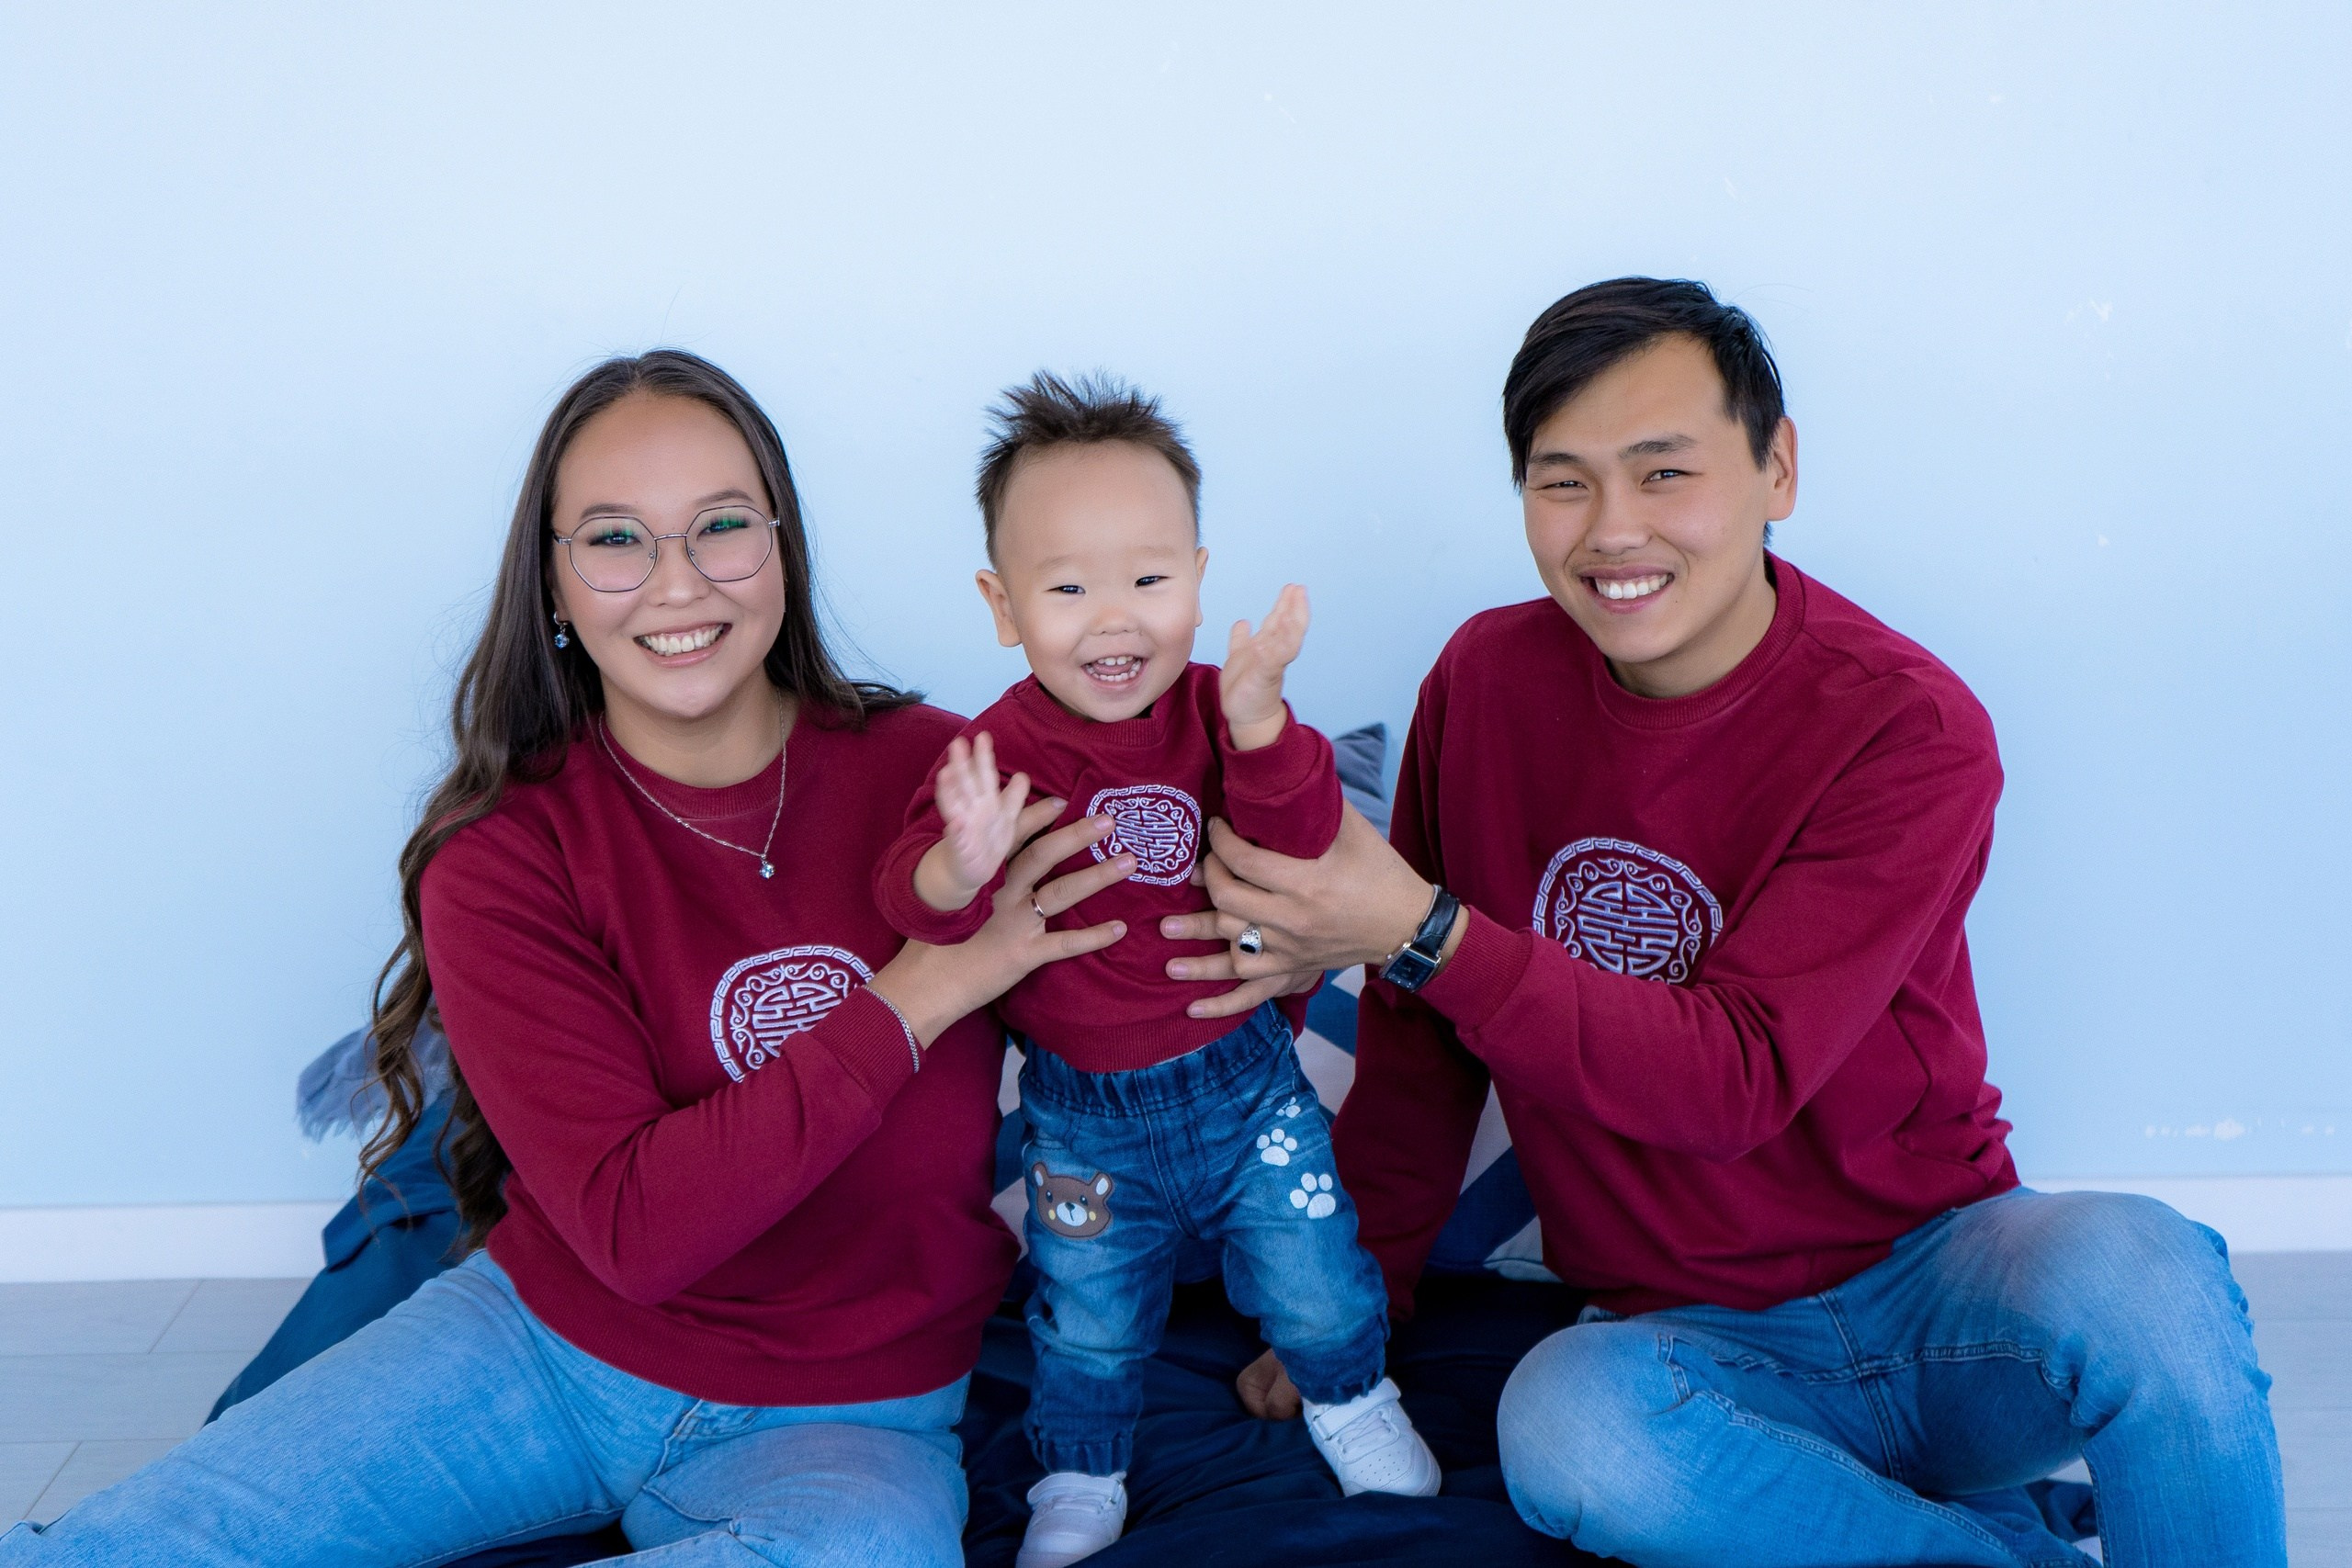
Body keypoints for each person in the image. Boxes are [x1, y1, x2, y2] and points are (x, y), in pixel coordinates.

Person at [0, 351, 1292, 1567]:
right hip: (540, 1354)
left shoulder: (958, 780)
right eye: (616, 539)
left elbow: (1180, 961)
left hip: (852, 1414)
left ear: (781, 547)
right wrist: (933, 983)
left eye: (723, 525)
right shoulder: (505, 853)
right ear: (554, 583)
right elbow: (634, 1231)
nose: (678, 583)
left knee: (871, 1557)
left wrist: (1278, 943)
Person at [1162, 279, 2289, 1567]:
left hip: (1943, 1293)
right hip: (1684, 1336)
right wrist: (1344, 1320)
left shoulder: (1908, 727)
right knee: (1565, 1427)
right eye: (1563, 482)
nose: (1613, 530)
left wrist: (1423, 928)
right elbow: (1424, 1055)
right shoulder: (1486, 682)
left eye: (1663, 473)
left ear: (1778, 469)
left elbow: (1736, 1077)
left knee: (2148, 1271)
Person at [874, 373, 1439, 1568]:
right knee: (1085, 1315)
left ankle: (1351, 1401)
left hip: (1247, 1091)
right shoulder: (994, 755)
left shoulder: (1217, 715)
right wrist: (955, 863)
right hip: (1083, 1122)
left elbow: (1299, 843)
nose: (1115, 617)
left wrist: (1264, 725)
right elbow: (912, 899)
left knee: (1319, 1271)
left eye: (1148, 577)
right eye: (1068, 587)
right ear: (1003, 603)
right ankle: (1083, 1470)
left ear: (1195, 572)